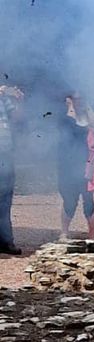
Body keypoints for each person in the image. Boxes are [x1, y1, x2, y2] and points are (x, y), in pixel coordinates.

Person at [57, 94, 91, 238]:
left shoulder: (89, 118)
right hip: (68, 166)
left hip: (88, 165)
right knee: (69, 200)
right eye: (77, 99)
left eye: (82, 98)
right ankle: (64, 232)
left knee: (89, 200)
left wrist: (88, 110)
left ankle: (92, 232)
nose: (80, 102)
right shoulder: (64, 120)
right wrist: (70, 108)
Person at [0, 83, 24, 255]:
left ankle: (6, 241)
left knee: (5, 199)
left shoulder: (2, 98)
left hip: (5, 153)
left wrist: (18, 101)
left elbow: (16, 118)